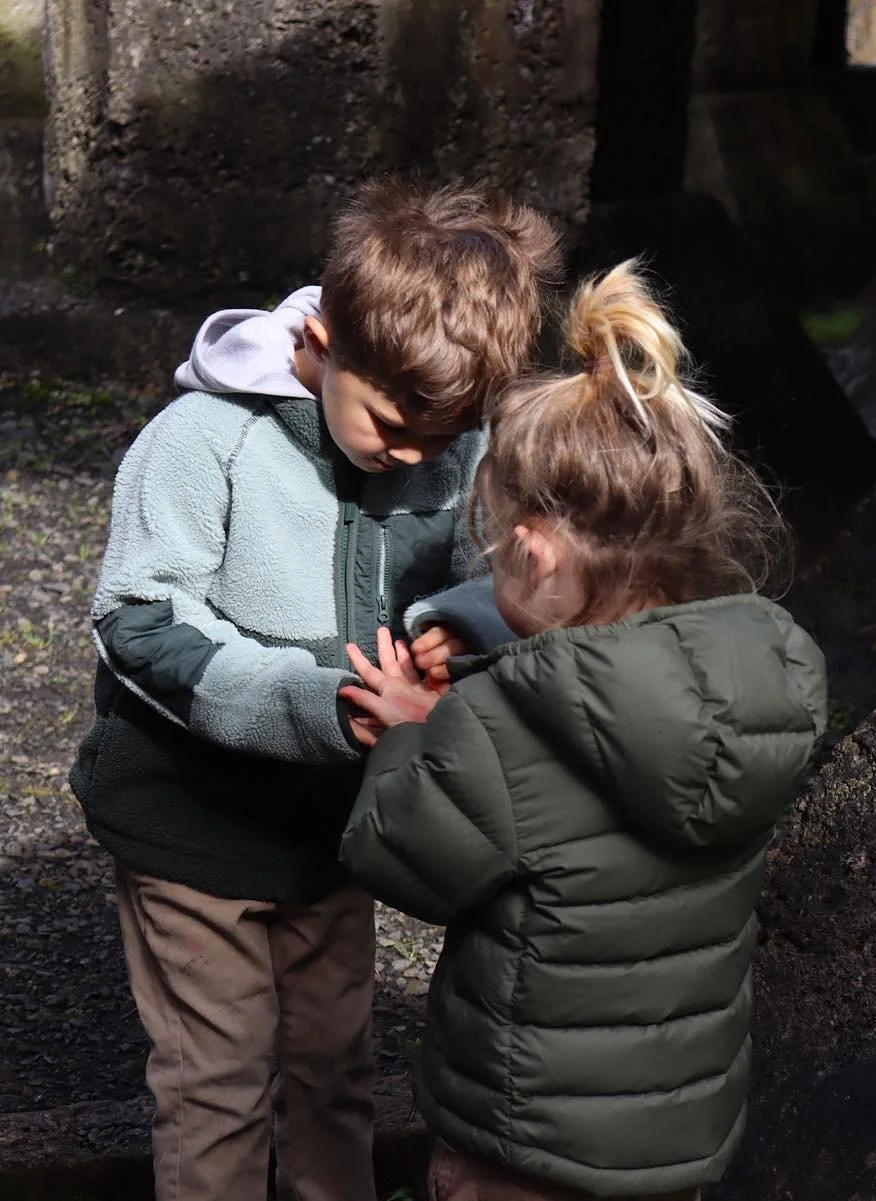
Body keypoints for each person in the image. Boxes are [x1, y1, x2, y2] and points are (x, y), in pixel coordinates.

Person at [69, 177, 560, 1201]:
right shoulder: (206, 438)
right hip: (190, 828)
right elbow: (137, 618)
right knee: (217, 1084)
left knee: (336, 1073)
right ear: (323, 339)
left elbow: (475, 581)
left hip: (337, 836)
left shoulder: (451, 445)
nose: (418, 455)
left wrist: (447, 637)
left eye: (446, 434)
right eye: (392, 424)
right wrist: (314, 697)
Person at [339, 260, 828, 1201]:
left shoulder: (505, 724)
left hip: (523, 1141)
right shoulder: (766, 678)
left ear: (532, 545)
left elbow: (397, 852)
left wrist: (412, 734)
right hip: (674, 1136)